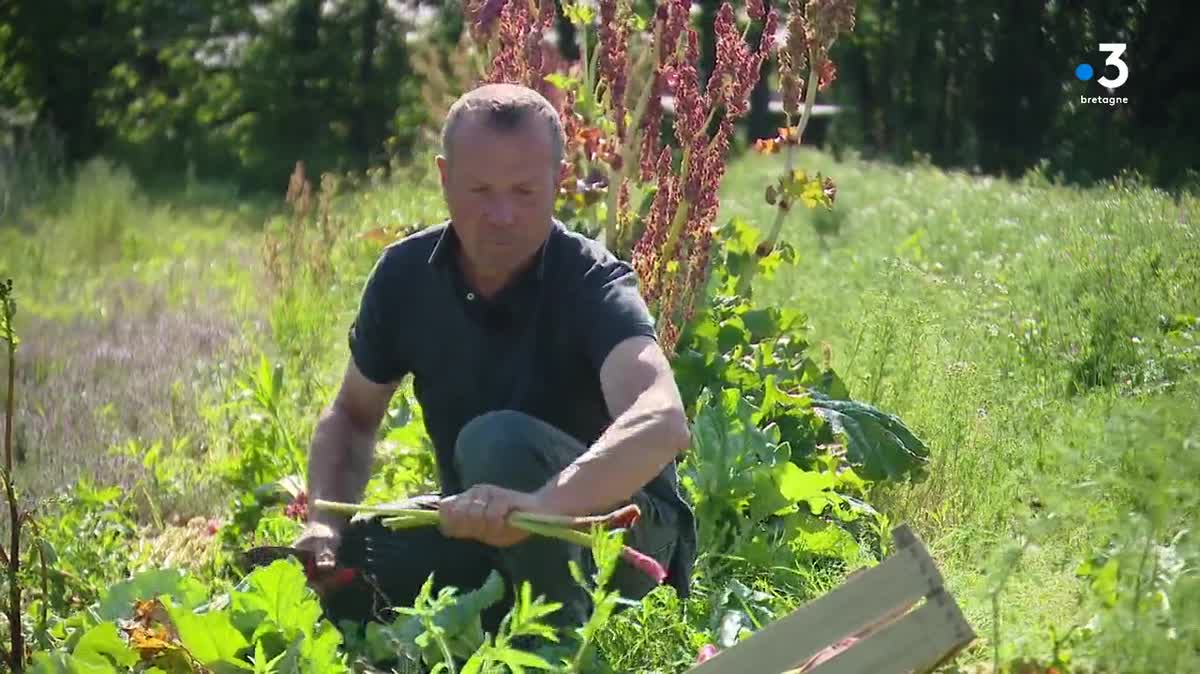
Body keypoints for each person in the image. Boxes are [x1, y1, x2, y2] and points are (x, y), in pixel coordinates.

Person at [292, 82, 698, 650]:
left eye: (525, 192)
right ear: (443, 177)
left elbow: (662, 419)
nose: (501, 215)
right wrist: (322, 524)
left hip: (620, 536)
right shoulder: (405, 277)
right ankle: (497, 609)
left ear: (559, 183)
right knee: (346, 568)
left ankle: (554, 645)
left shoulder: (592, 282)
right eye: (479, 190)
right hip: (486, 523)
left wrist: (541, 504)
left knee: (498, 441)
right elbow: (353, 417)